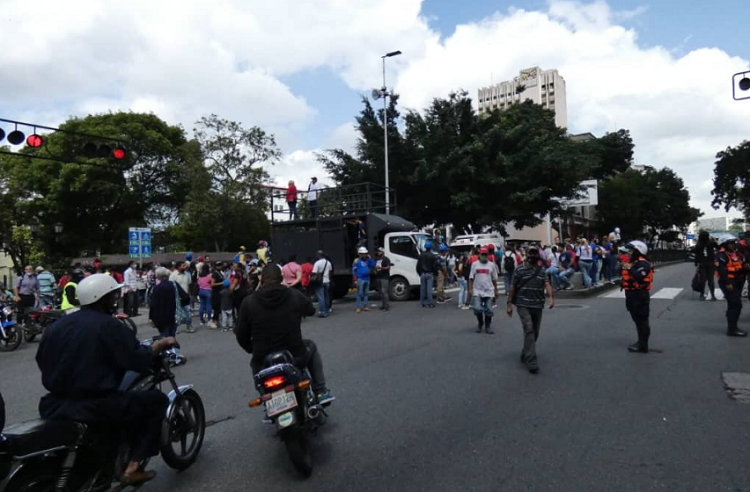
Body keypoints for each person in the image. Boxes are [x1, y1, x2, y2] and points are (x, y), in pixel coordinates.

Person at [36, 273, 177, 485]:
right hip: (96, 405)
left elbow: (41, 360)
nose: (116, 299)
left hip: (53, 404)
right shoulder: (110, 326)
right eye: (113, 295)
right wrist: (158, 346)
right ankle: (132, 467)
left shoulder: (56, 326)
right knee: (157, 401)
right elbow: (136, 359)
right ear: (104, 298)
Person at [235, 265, 335, 404]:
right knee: (311, 346)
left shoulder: (249, 302)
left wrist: (251, 348)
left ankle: (267, 400)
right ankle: (321, 390)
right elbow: (310, 310)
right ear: (281, 278)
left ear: (261, 279)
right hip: (295, 353)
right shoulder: (293, 295)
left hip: (263, 357)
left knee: (255, 365)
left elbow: (240, 333)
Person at [507, 247, 554, 373]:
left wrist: (551, 298)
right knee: (528, 328)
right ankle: (531, 360)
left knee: (535, 332)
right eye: (530, 253)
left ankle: (525, 351)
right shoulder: (519, 269)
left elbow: (547, 283)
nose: (533, 255)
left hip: (538, 305)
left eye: (535, 253)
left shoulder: (542, 270)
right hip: (523, 304)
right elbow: (512, 286)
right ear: (526, 255)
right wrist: (509, 304)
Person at [150, 267, 189, 361]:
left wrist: (151, 318)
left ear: (158, 276)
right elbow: (185, 298)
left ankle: (167, 355)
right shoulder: (174, 285)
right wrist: (181, 306)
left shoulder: (157, 288)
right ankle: (174, 353)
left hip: (161, 317)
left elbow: (153, 305)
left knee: (164, 337)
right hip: (174, 315)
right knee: (172, 335)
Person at [621, 240, 654, 352]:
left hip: (639, 295)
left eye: (630, 250)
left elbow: (639, 276)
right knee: (636, 319)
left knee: (642, 320)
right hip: (631, 294)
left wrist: (629, 268)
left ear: (638, 251)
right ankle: (640, 341)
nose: (628, 252)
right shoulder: (633, 262)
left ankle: (643, 345)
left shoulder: (643, 263)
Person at [716, 236, 747, 337]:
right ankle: (732, 329)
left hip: (738, 281)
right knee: (735, 304)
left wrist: (745, 267)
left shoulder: (735, 254)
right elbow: (722, 271)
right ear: (724, 244)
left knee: (734, 305)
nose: (733, 245)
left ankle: (733, 327)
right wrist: (727, 283)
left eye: (734, 243)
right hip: (729, 282)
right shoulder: (721, 256)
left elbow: (740, 264)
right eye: (731, 243)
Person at [469, 247, 499, 334]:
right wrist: (470, 289)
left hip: (489, 290)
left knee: (489, 309)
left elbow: (494, 279)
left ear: (488, 255)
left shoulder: (491, 265)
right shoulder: (474, 264)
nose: (484, 256)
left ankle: (487, 326)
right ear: (479, 255)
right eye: (482, 254)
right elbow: (471, 278)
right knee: (477, 308)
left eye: (485, 254)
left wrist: (496, 290)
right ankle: (480, 323)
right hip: (477, 290)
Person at [169, 262, 194, 333]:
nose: (185, 267)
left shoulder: (186, 274)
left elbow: (188, 285)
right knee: (176, 313)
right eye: (183, 266)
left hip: (185, 297)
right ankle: (174, 328)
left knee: (188, 312)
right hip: (176, 298)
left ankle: (188, 326)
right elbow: (171, 287)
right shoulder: (173, 275)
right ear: (178, 267)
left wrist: (190, 295)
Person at [695, 231, 718, 301]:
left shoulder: (698, 244)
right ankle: (713, 295)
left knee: (703, 280)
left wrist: (696, 264)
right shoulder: (710, 243)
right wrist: (714, 240)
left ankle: (702, 295)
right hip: (710, 263)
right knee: (711, 280)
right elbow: (718, 247)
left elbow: (697, 255)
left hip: (702, 264)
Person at [352, 247, 375, 313]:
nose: (364, 255)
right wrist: (355, 280)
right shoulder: (356, 261)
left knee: (366, 293)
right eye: (363, 254)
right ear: (360, 254)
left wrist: (370, 258)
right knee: (359, 293)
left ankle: (365, 306)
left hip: (367, 279)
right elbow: (354, 270)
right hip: (360, 279)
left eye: (365, 253)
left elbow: (373, 265)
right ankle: (358, 307)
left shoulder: (367, 260)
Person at [417, 241, 438, 308]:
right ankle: (430, 303)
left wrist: (419, 273)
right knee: (429, 289)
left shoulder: (421, 255)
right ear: (431, 247)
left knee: (422, 289)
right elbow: (434, 266)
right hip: (430, 273)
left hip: (422, 273)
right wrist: (435, 273)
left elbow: (418, 265)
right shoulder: (432, 256)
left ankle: (422, 302)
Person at [312, 250, 332, 318]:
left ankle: (322, 312)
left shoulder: (317, 263)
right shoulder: (328, 262)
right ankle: (327, 310)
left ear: (318, 255)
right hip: (327, 281)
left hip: (320, 282)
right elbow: (330, 272)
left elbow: (314, 272)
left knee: (321, 297)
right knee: (327, 296)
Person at [209, 261, 225, 329]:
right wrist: (221, 283)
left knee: (219, 307)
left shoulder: (220, 273)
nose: (220, 267)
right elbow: (212, 284)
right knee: (217, 308)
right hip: (216, 293)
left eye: (220, 265)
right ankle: (214, 320)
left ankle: (217, 321)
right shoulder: (215, 274)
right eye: (218, 265)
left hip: (220, 292)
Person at [375, 247, 392, 311]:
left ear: (382, 252)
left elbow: (388, 267)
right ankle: (383, 305)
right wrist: (375, 270)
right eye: (378, 251)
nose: (378, 252)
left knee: (384, 291)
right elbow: (376, 267)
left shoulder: (386, 259)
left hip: (384, 277)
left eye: (379, 251)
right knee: (380, 292)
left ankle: (386, 306)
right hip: (378, 277)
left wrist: (381, 268)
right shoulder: (377, 259)